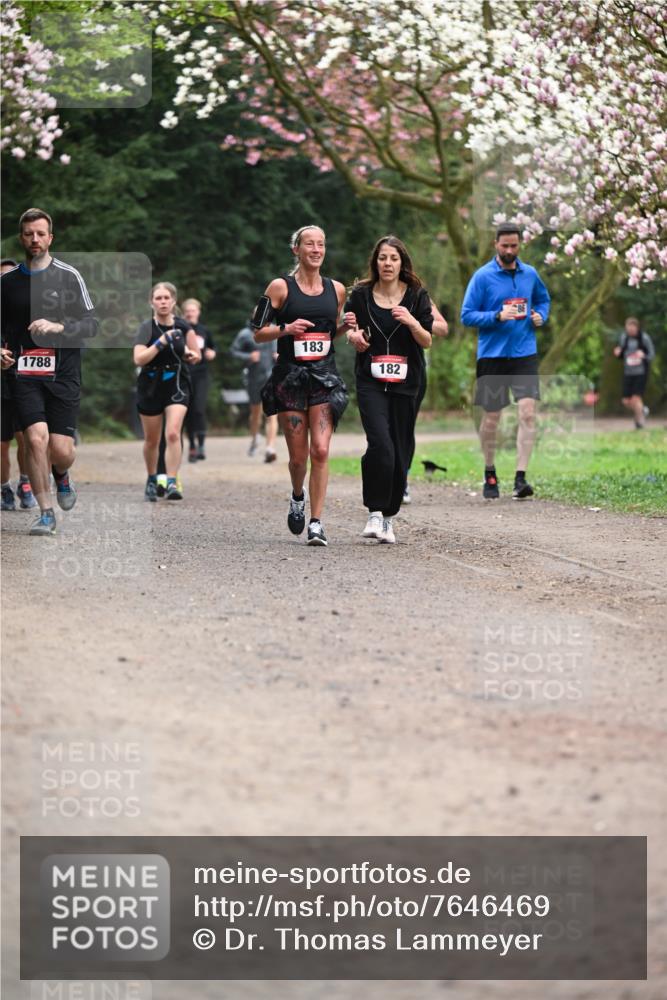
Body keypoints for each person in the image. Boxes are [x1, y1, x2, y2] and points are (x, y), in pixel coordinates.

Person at [0, 209, 98, 535]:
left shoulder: (69, 276)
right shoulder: (6, 283)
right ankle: (45, 513)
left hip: (63, 373)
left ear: (50, 238)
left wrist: (59, 326)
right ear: (21, 238)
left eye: (40, 234)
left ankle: (62, 474)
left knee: (61, 450)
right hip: (23, 373)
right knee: (34, 438)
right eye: (29, 234)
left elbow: (92, 325)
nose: (35, 239)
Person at [254, 224, 348, 546]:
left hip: (324, 377)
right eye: (310, 244)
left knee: (320, 450)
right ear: (297, 249)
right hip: (290, 378)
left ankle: (317, 523)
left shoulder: (336, 290)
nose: (316, 250)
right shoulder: (280, 287)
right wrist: (286, 329)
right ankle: (297, 495)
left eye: (321, 244)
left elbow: (328, 334)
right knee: (298, 458)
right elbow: (258, 332)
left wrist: (344, 328)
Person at [344, 235, 434, 544]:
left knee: (399, 449)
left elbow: (427, 340)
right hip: (370, 380)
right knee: (380, 444)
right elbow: (351, 330)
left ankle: (389, 518)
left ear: (402, 263)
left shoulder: (417, 296)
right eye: (382, 257)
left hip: (406, 383)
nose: (387, 263)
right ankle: (374, 512)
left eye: (393, 258)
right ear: (375, 262)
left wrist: (411, 322)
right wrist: (354, 337)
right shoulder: (361, 294)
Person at [461, 222, 550, 500]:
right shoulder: (482, 277)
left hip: (524, 354)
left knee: (528, 413)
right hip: (493, 356)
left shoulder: (530, 274)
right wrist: (496, 316)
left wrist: (540, 316)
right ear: (495, 245)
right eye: (505, 246)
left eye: (514, 245)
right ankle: (490, 471)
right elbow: (466, 315)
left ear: (520, 244)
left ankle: (520, 478)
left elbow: (543, 301)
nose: (509, 250)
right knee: (492, 418)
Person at [133, 282, 200, 501]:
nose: (162, 302)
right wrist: (160, 342)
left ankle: (171, 481)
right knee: (152, 440)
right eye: (158, 298)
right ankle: (152, 478)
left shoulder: (183, 327)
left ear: (173, 301)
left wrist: (191, 355)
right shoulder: (146, 328)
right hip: (150, 384)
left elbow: (196, 353)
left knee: (172, 433)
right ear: (151, 302)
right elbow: (138, 358)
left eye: (166, 298)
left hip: (177, 383)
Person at [402, 300, 449, 504]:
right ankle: (383, 478)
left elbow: (442, 328)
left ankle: (401, 479)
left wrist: (415, 321)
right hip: (377, 370)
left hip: (412, 371)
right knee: (380, 429)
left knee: (405, 428)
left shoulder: (418, 297)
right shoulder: (373, 294)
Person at [1, 258, 37, 511]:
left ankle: (25, 483)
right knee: (1, 443)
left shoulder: (27, 310)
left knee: (26, 438)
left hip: (25, 381)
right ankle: (4, 488)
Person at [230, 317, 278, 462]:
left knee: (272, 414)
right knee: (256, 413)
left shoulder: (276, 329)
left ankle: (270, 448)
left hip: (271, 376)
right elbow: (233, 351)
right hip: (253, 378)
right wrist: (248, 356)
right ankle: (255, 438)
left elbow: (289, 348)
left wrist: (280, 355)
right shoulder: (245, 333)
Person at [181, 298, 216, 462]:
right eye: (187, 311)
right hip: (184, 374)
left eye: (193, 310)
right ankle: (192, 446)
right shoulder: (179, 330)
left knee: (199, 409)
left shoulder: (204, 330)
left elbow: (212, 348)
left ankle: (201, 444)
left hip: (201, 374)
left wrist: (212, 353)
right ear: (183, 313)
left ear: (198, 312)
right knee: (187, 410)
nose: (190, 313)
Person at [613, 317, 655, 429]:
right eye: (628, 328)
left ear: (637, 327)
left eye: (632, 328)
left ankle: (639, 422)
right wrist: (618, 353)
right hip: (628, 372)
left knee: (636, 398)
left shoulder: (644, 338)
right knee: (626, 401)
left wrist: (643, 356)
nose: (630, 330)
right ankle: (643, 410)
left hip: (641, 372)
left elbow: (651, 354)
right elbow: (623, 354)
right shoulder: (624, 338)